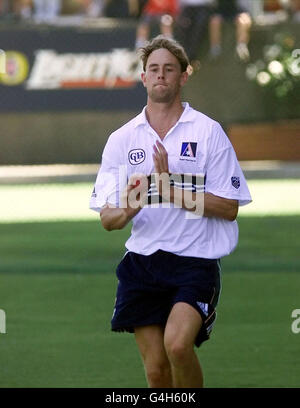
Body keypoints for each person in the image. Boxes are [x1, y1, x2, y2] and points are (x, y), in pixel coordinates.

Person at [90, 35, 252, 388]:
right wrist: (130, 209)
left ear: (183, 76)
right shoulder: (122, 139)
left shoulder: (209, 133)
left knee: (178, 347)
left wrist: (170, 191)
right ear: (144, 77)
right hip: (142, 263)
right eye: (153, 69)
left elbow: (228, 208)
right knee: (156, 372)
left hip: (194, 262)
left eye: (169, 69)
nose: (161, 75)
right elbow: (107, 219)